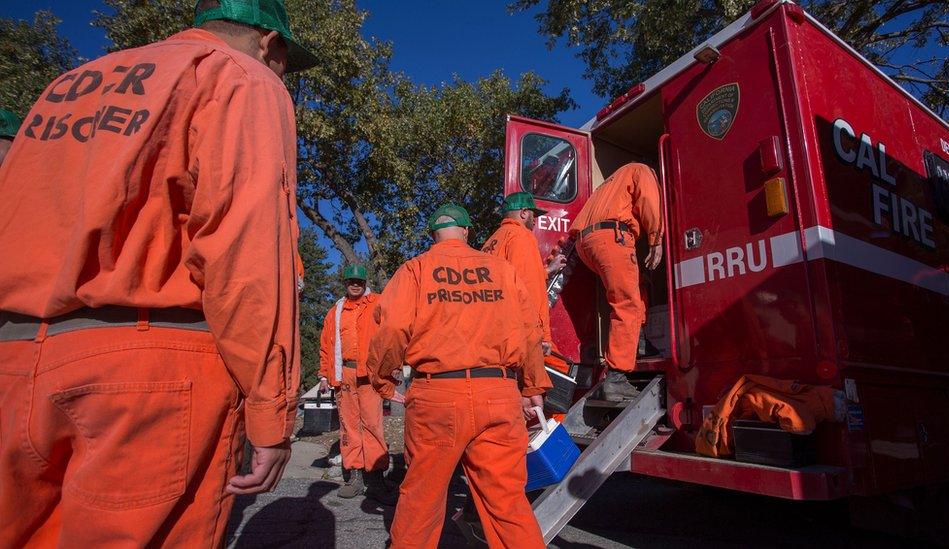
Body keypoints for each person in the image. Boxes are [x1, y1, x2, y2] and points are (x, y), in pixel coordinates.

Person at [0, 0, 319, 546]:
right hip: (146, 373)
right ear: (271, 44)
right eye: (285, 62)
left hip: (15, 357)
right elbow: (245, 250)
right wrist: (271, 410)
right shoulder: (240, 76)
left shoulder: (70, 84)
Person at [368, 203, 551, 549]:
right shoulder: (502, 270)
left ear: (434, 236)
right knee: (507, 504)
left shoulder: (416, 269)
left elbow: (391, 327)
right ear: (467, 232)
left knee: (421, 499)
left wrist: (382, 379)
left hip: (437, 395)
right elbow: (530, 331)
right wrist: (532, 386)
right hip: (497, 392)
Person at [569, 162, 664, 401]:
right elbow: (650, 201)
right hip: (612, 237)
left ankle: (640, 344)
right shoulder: (642, 170)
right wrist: (656, 239)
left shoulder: (610, 183)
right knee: (626, 304)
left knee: (635, 283)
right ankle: (617, 377)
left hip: (586, 243)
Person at [318, 264, 396, 504]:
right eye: (351, 281)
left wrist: (392, 365)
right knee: (349, 427)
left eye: (359, 282)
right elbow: (326, 345)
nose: (355, 285)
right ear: (345, 283)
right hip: (345, 375)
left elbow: (394, 332)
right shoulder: (335, 312)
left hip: (371, 375)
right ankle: (354, 478)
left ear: (365, 283)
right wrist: (323, 375)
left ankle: (375, 479)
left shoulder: (380, 303)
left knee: (373, 425)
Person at [482, 191, 565, 359]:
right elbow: (530, 289)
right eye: (534, 214)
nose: (535, 220)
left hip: (494, 330)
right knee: (561, 372)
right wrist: (543, 337)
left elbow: (511, 277)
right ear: (524, 212)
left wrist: (547, 271)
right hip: (520, 332)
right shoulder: (521, 236)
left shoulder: (492, 241)